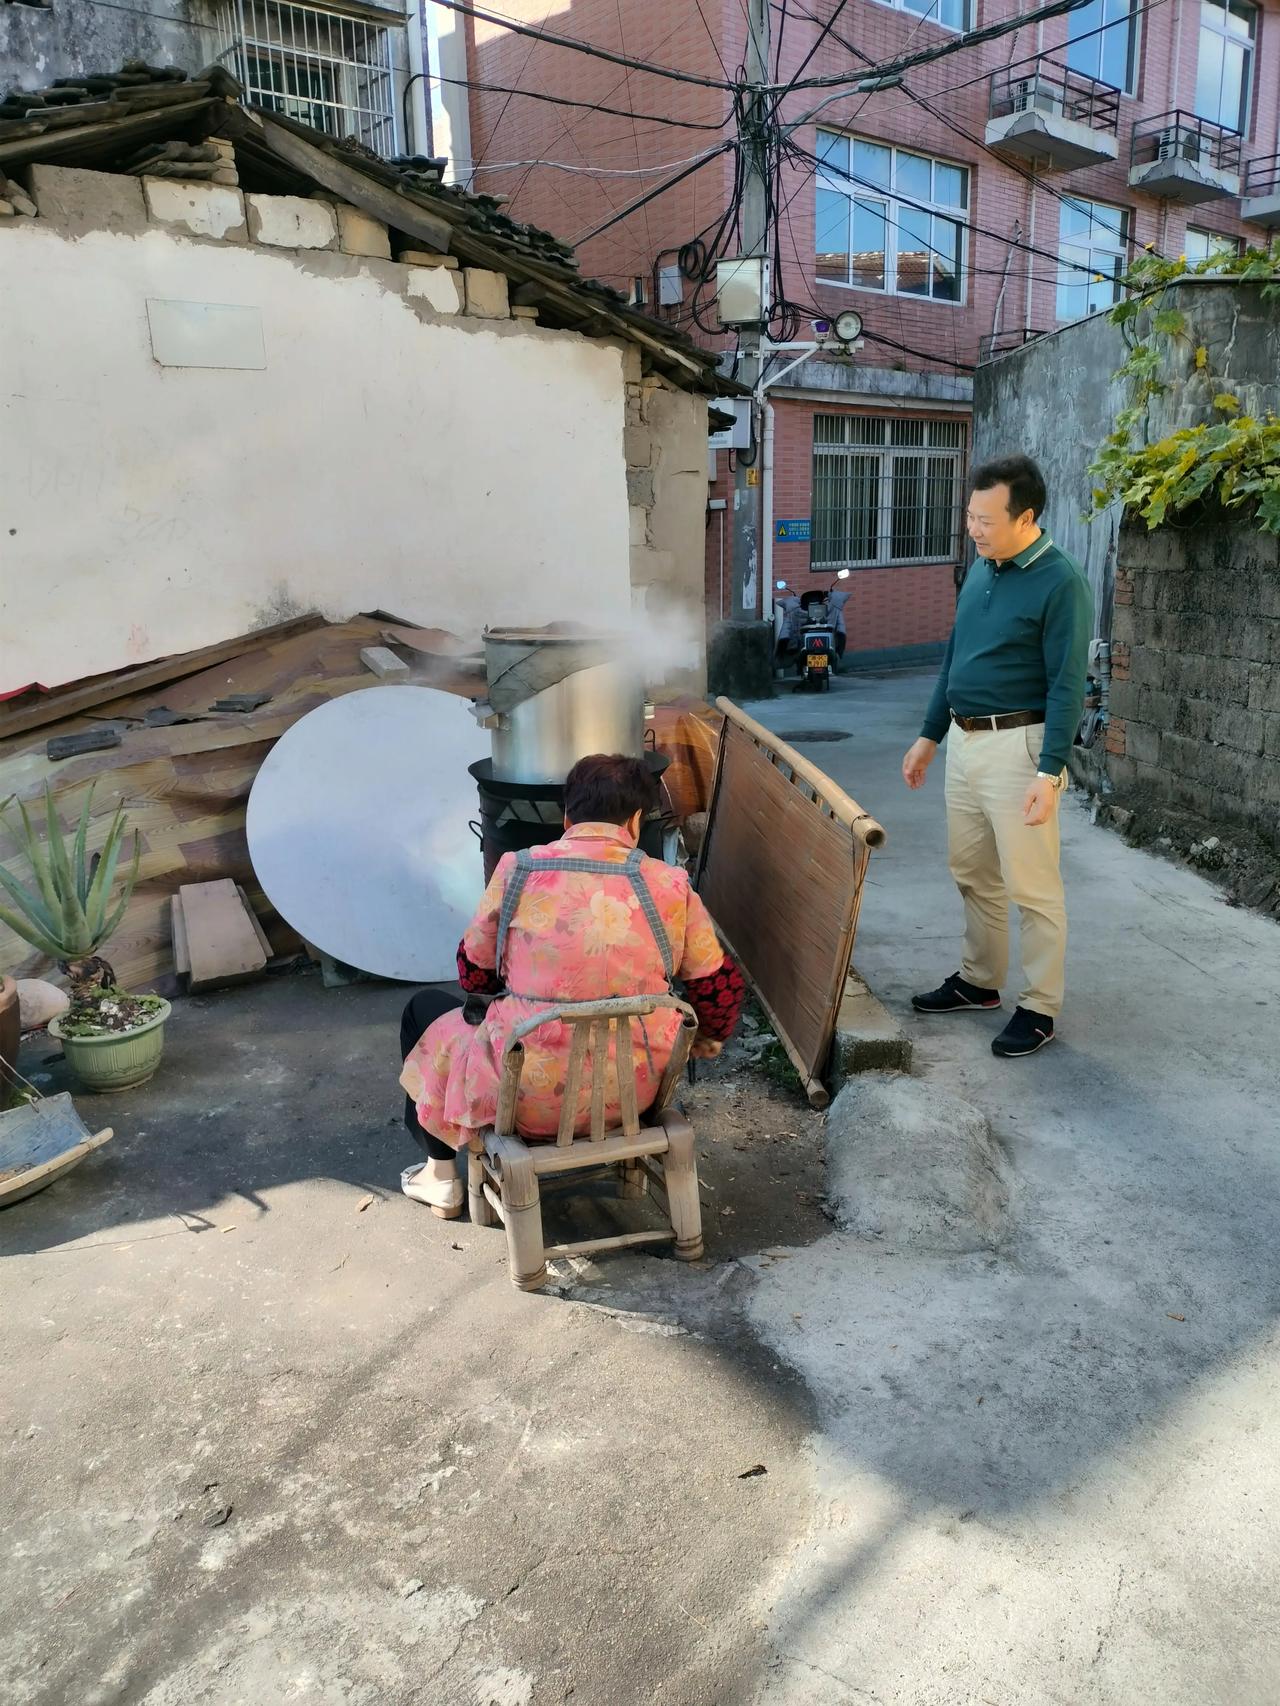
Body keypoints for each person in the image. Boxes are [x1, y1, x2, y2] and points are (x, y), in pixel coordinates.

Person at [398, 753, 747, 1218]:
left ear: (566, 817)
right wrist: (710, 1036)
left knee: (424, 1009)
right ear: (637, 821)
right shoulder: (670, 884)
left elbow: (473, 974)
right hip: (632, 1094)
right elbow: (718, 986)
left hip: (525, 1098)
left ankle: (440, 1176)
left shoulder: (516, 869)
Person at [901, 454, 1092, 1059]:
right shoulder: (984, 568)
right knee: (972, 871)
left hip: (1021, 746)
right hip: (965, 742)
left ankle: (1040, 1006)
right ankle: (980, 981)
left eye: (986, 519)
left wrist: (1050, 770)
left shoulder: (1060, 582)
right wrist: (929, 735)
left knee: (1033, 886)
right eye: (969, 516)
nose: (974, 529)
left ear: (1026, 516)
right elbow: (957, 656)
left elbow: (1068, 685)